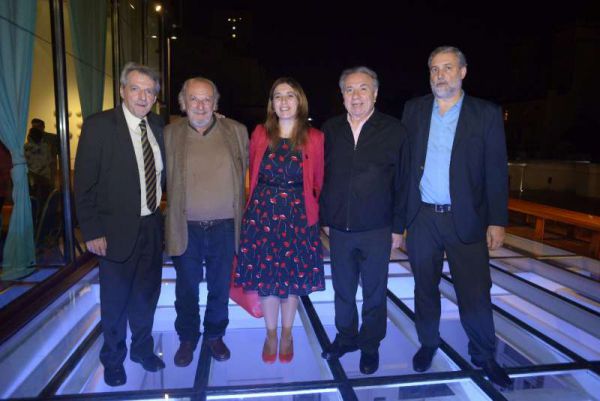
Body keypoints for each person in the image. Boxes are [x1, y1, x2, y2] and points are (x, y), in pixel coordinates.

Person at [401, 46, 512, 388]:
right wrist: (401, 219)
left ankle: (484, 355)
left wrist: (497, 220)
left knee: (475, 292)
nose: (440, 75)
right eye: (434, 69)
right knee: (424, 288)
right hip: (423, 218)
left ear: (462, 72)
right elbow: (405, 167)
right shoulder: (415, 110)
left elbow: (496, 170)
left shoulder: (486, 113)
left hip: (467, 219)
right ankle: (428, 344)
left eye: (447, 68)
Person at [74, 62, 166, 387]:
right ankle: (113, 359)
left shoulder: (156, 125)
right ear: (123, 91)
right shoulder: (100, 126)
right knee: (115, 301)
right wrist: (93, 231)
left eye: (150, 91)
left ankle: (141, 349)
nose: (143, 96)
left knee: (145, 296)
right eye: (136, 88)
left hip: (152, 227)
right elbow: (83, 185)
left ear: (156, 97)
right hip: (113, 233)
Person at [319, 66, 408, 375]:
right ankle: (345, 337)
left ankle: (370, 345)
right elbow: (322, 176)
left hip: (378, 228)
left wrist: (398, 226)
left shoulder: (394, 130)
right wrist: (326, 217)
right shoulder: (329, 130)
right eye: (349, 90)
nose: (356, 96)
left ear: (375, 93)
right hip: (339, 229)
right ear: (342, 96)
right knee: (342, 290)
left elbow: (403, 182)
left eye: (363, 89)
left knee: (374, 291)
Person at [235, 77, 325, 364]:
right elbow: (252, 170)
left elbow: (319, 180)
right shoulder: (260, 133)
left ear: (299, 101)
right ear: (271, 103)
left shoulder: (316, 137)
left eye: (290, 95)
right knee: (267, 279)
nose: (284, 101)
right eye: (277, 96)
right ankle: (271, 334)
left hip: (298, 217)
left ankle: (287, 333)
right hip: (263, 216)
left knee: (292, 280)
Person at [164, 77, 248, 367]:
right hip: (185, 227)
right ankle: (188, 337)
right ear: (183, 103)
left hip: (225, 227)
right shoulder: (169, 134)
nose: (200, 105)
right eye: (194, 99)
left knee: (219, 286)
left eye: (206, 99)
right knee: (186, 287)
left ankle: (215, 334)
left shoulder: (237, 131)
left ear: (216, 103)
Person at [24, 126, 53, 204]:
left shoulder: (26, 148)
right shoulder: (46, 147)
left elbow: (25, 163)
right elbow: (49, 162)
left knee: (32, 203)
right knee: (44, 203)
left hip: (33, 180)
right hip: (44, 179)